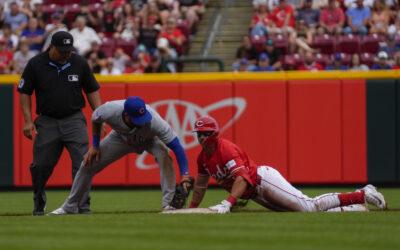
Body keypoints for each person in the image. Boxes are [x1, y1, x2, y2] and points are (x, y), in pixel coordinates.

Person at [189, 116, 387, 213]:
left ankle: (363, 193)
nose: (201, 137)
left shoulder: (225, 149)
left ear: (213, 133)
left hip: (262, 180)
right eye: (199, 134)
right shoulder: (203, 158)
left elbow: (241, 178)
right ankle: (353, 207)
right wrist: (192, 209)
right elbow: (200, 186)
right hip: (254, 192)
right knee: (299, 213)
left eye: (204, 133)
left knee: (309, 206)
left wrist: (228, 203)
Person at [49, 96, 192, 215]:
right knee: (88, 163)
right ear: (125, 114)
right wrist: (95, 145)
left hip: (150, 139)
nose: (141, 121)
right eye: (137, 118)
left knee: (164, 155)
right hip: (120, 138)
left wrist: (185, 174)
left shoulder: (155, 121)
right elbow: (95, 119)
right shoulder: (110, 109)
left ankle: (169, 205)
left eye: (143, 117)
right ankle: (70, 206)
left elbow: (176, 146)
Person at [17, 31, 102, 216]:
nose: (66, 54)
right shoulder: (36, 63)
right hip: (47, 121)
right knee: (41, 165)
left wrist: (100, 116)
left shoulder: (78, 62)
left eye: (68, 50)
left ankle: (82, 204)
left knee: (83, 162)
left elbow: (92, 89)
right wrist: (27, 120)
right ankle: (38, 198)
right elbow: (24, 91)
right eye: (62, 50)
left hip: (74, 119)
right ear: (51, 47)